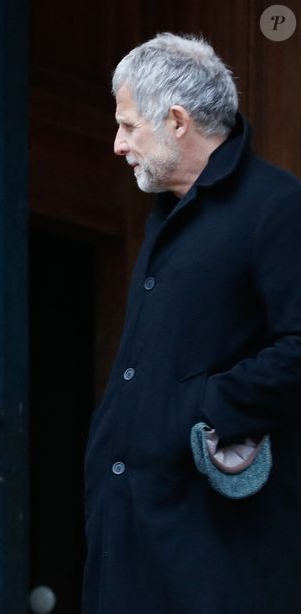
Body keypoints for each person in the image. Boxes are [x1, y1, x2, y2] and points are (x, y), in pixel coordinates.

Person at [83, 33, 301, 613]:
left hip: (214, 550)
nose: (117, 144)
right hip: (133, 530)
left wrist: (203, 411)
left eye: (129, 126)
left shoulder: (276, 205)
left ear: (177, 120)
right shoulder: (168, 213)